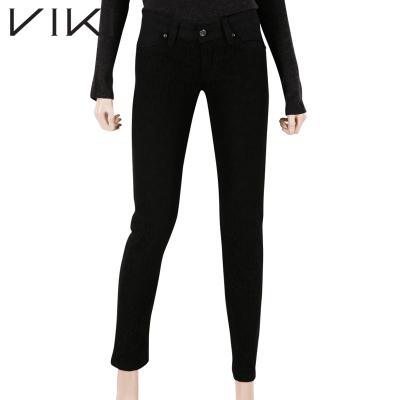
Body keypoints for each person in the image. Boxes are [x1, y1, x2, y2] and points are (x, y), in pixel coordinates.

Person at [90, 0, 307, 399]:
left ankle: (245, 386)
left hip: (239, 48)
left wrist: (292, 88)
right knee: (152, 222)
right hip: (162, 47)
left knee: (243, 224)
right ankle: (126, 381)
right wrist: (102, 82)